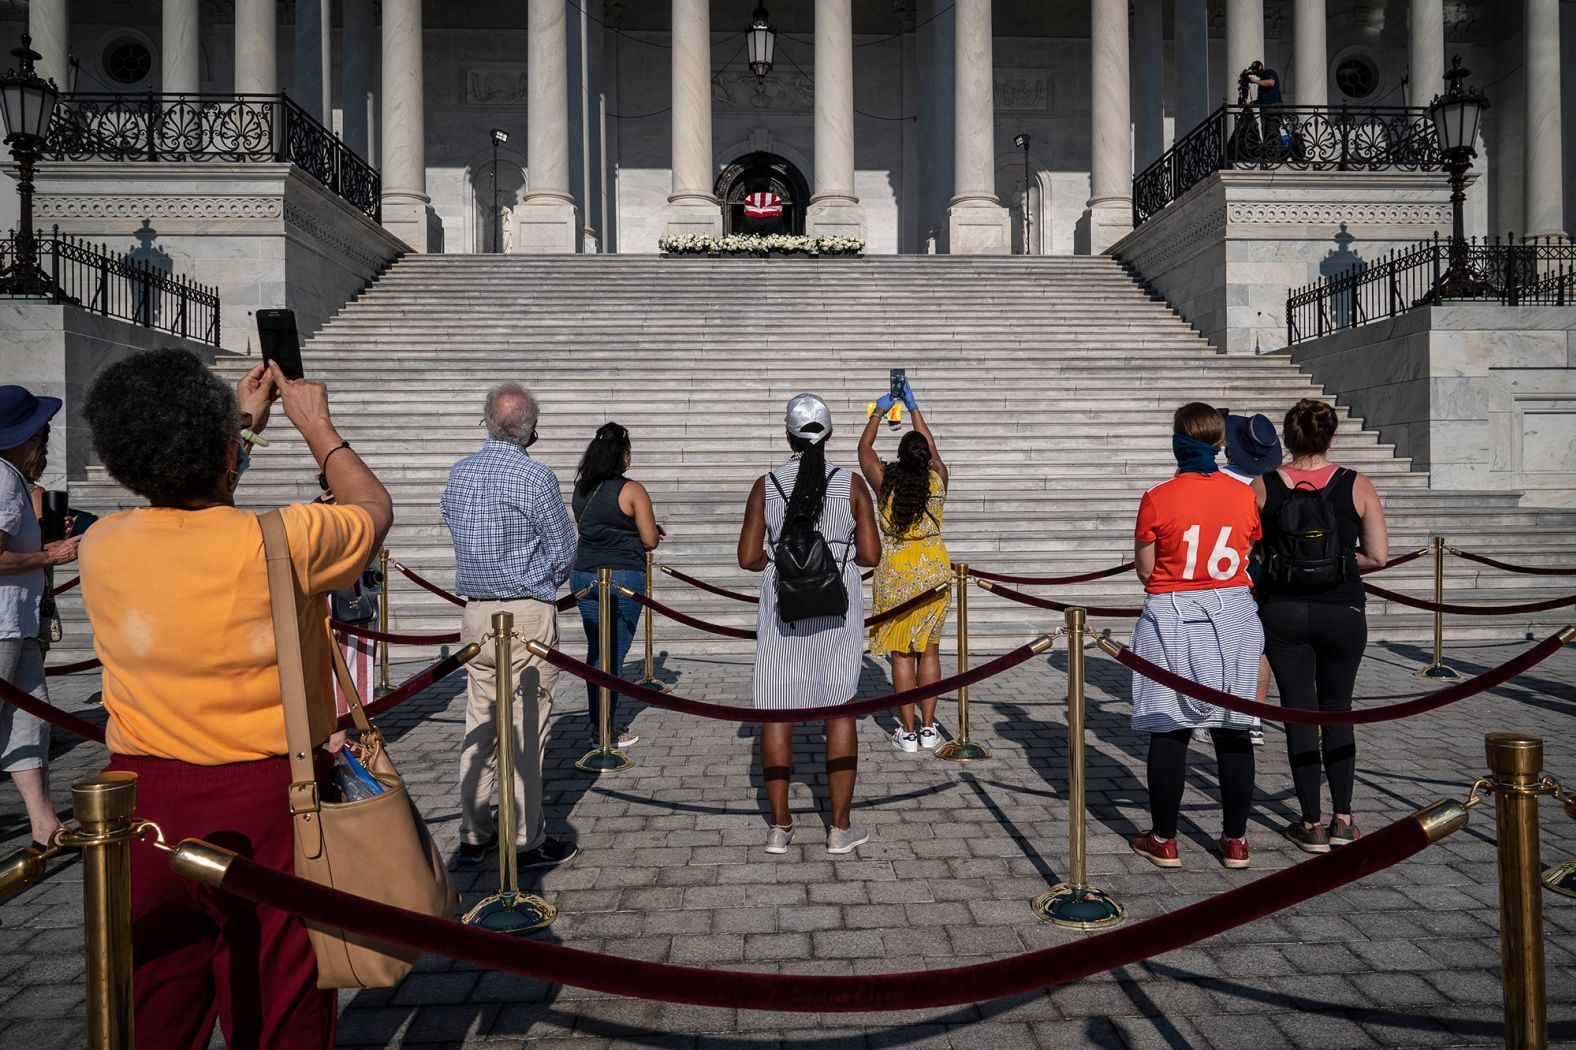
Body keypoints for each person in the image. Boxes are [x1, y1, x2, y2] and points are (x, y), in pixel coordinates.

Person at [78, 348, 390, 1048]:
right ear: (221, 450)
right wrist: (317, 427)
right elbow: (372, 508)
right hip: (268, 803)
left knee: (157, 1010)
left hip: (141, 800)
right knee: (280, 1010)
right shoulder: (289, 537)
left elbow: (187, 501)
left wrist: (239, 431)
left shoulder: (102, 544)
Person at [442, 382, 579, 870]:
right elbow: (564, 548)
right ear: (532, 427)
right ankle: (523, 838)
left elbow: (453, 524)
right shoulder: (535, 476)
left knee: (480, 721)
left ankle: (475, 830)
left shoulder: (460, 474)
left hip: (477, 610)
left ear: (487, 420)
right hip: (525, 610)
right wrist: (540, 571)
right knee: (525, 726)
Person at [738, 394, 879, 855]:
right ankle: (840, 827)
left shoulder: (767, 484)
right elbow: (872, 556)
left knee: (777, 712)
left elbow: (747, 557)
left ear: (787, 435)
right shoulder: (851, 483)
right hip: (837, 609)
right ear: (831, 434)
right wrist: (839, 557)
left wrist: (774, 560)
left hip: (784, 608)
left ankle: (780, 826)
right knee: (840, 709)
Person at [1129, 402, 1263, 871]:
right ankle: (1235, 841)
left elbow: (1146, 569)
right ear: (1219, 442)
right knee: (1234, 730)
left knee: (1170, 728)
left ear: (1178, 441)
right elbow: (1248, 545)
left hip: (1172, 614)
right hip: (1233, 615)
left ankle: (1165, 838)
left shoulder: (1158, 495)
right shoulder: (1244, 493)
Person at [1252, 398, 1389, 853]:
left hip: (1284, 609)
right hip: (1343, 609)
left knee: (1299, 713)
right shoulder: (1357, 484)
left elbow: (1249, 551)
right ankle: (1344, 818)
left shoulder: (1263, 485)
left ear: (1287, 439)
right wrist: (1336, 563)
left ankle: (1310, 822)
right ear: (1331, 437)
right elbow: (1378, 556)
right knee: (1339, 709)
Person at [0, 386, 78, 850]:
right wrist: (49, 556)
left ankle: (45, 825)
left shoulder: (8, 477)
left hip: (17, 621)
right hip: (4, 622)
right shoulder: (5, 480)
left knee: (31, 718)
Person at [857, 378, 951, 752]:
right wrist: (914, 408)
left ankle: (908, 731)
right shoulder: (937, 479)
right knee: (929, 650)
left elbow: (864, 449)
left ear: (899, 456)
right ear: (926, 457)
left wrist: (879, 411)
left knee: (901, 652)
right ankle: (930, 728)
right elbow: (933, 449)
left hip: (896, 568)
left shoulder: (885, 483)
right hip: (932, 566)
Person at [570, 422, 662, 747]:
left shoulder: (582, 488)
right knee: (615, 654)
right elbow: (649, 539)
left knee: (596, 651)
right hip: (622, 574)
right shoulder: (632, 489)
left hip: (584, 574)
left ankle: (597, 722)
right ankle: (606, 729)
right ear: (622, 456)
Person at [1221, 411, 1284, 747]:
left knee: (1218, 644)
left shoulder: (1219, 481)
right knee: (1258, 647)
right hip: (1264, 568)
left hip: (1226, 570)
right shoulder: (1274, 482)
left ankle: (1217, 711)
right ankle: (1254, 719)